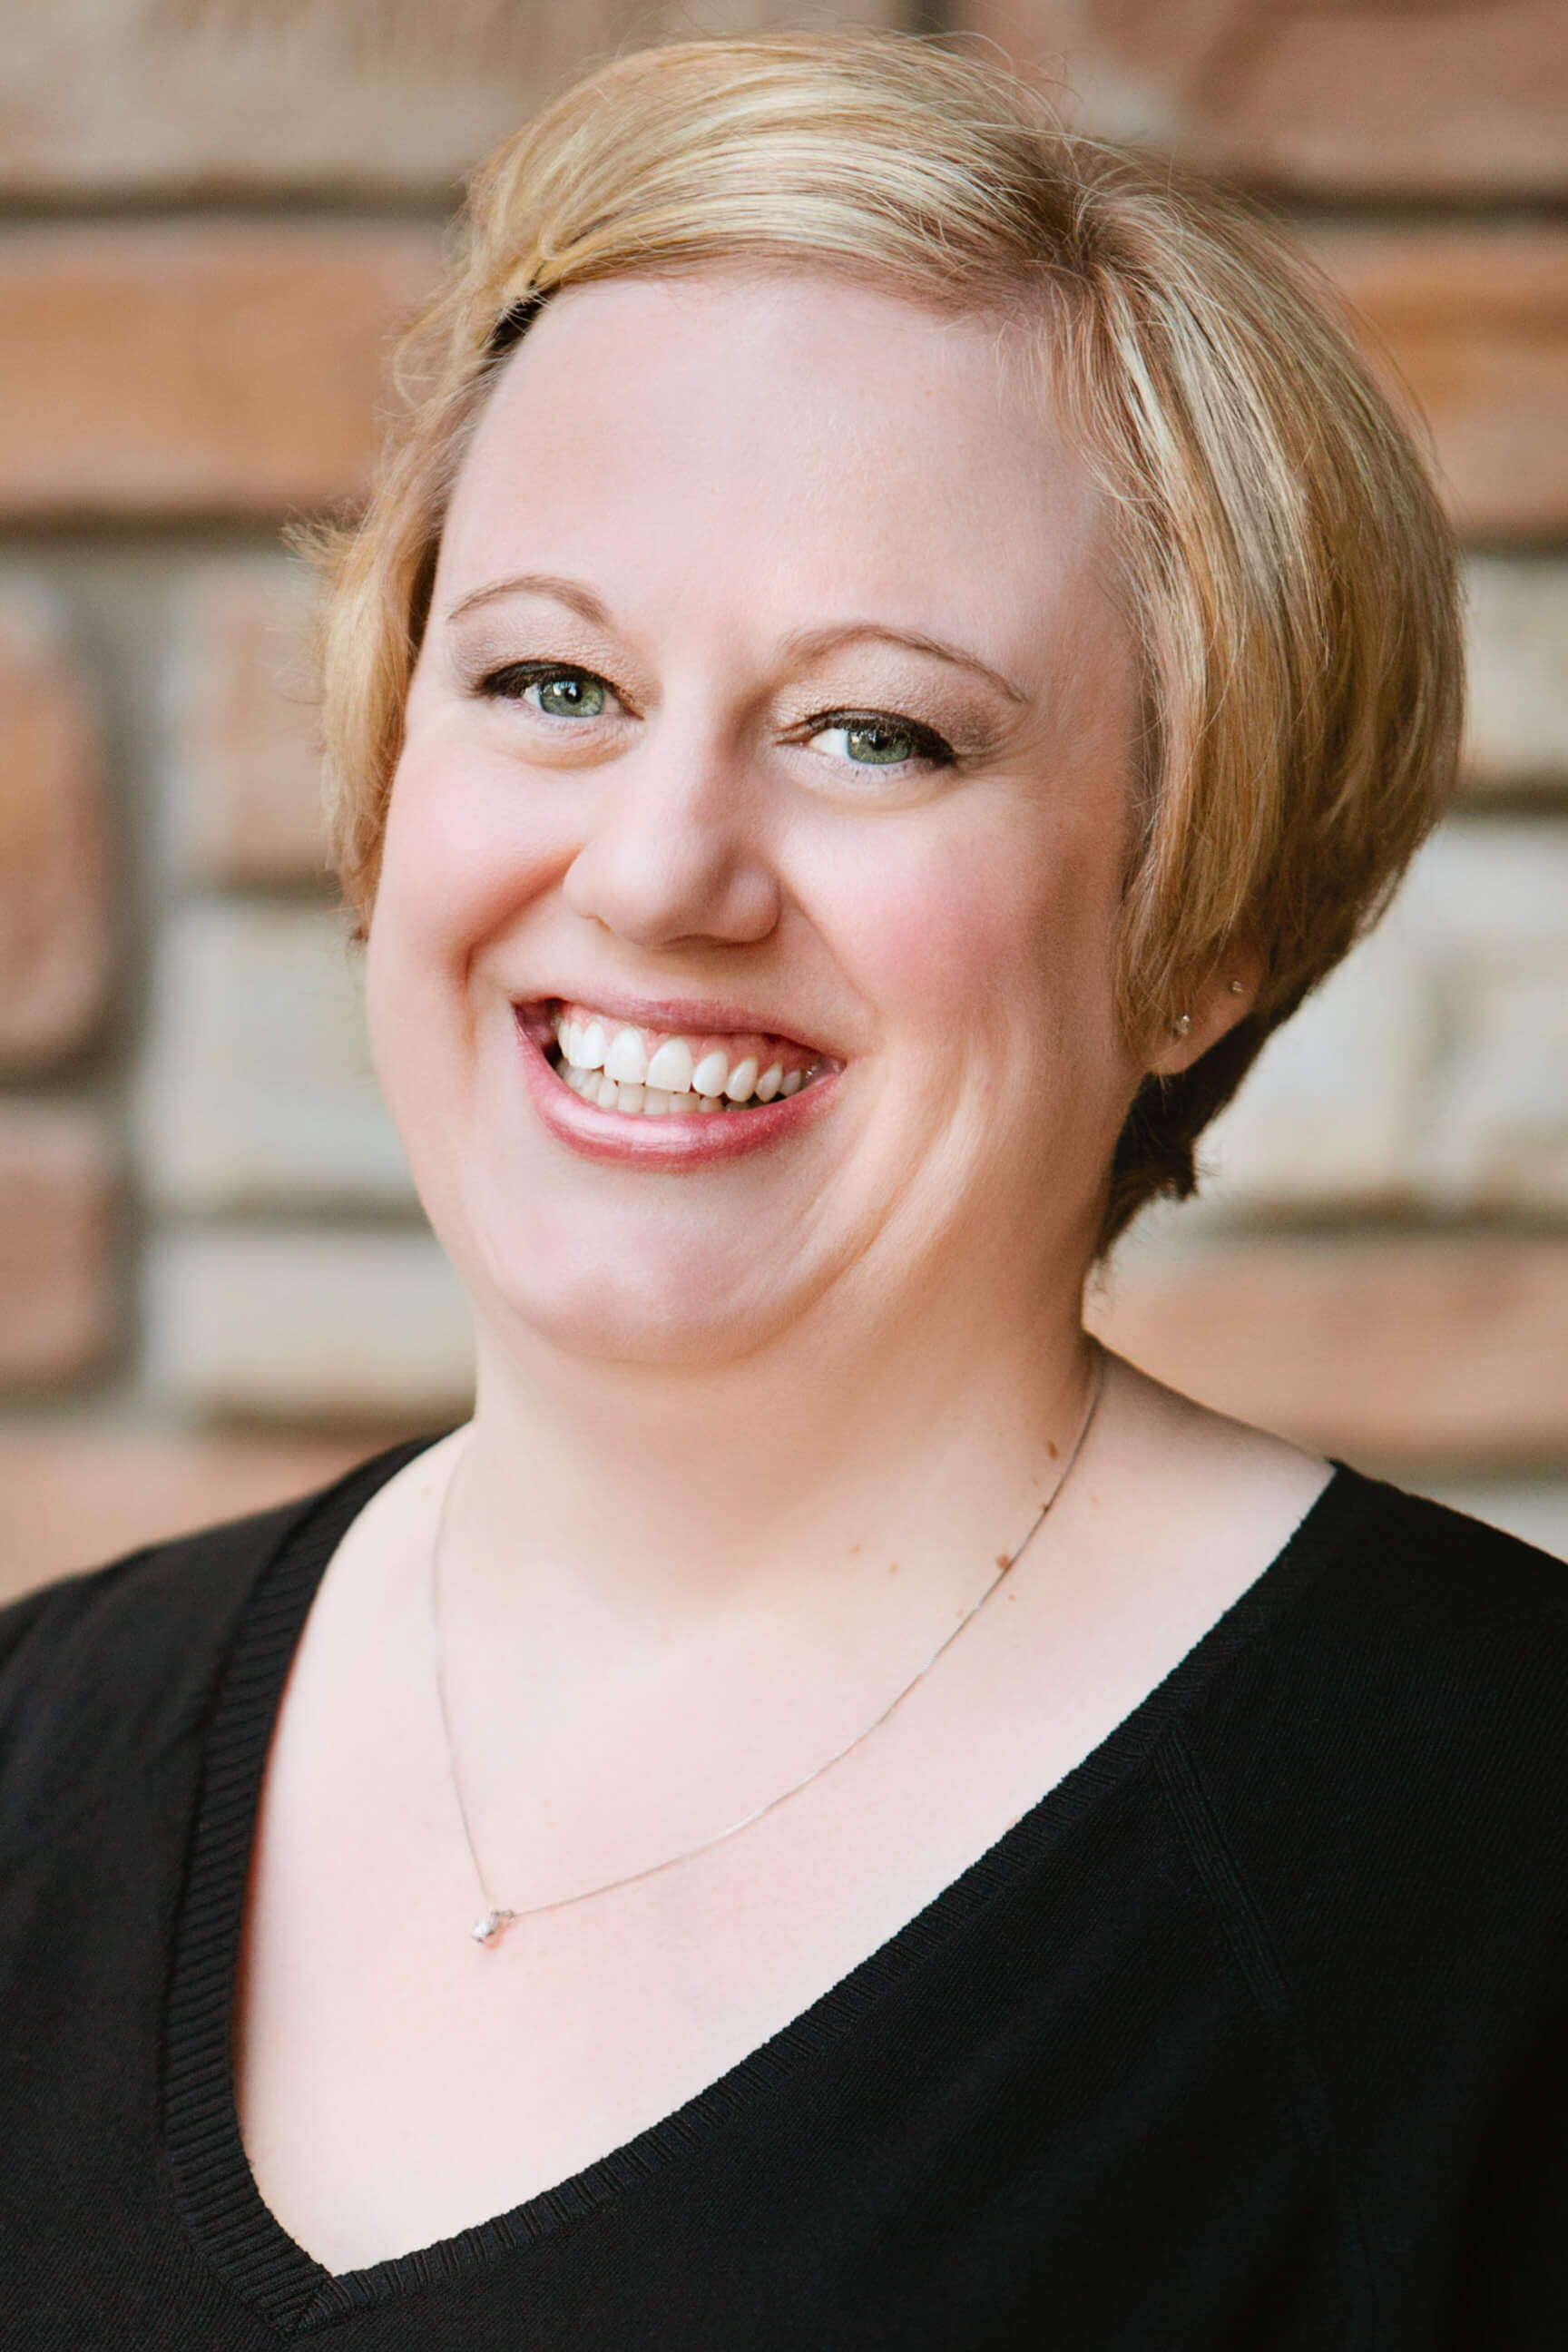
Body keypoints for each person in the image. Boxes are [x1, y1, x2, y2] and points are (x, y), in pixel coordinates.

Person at [1, 32, 1563, 2349]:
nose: (657, 868)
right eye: (549, 681)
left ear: (1193, 927)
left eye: (878, 733)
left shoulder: (1504, 1878)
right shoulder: (34, 1754)